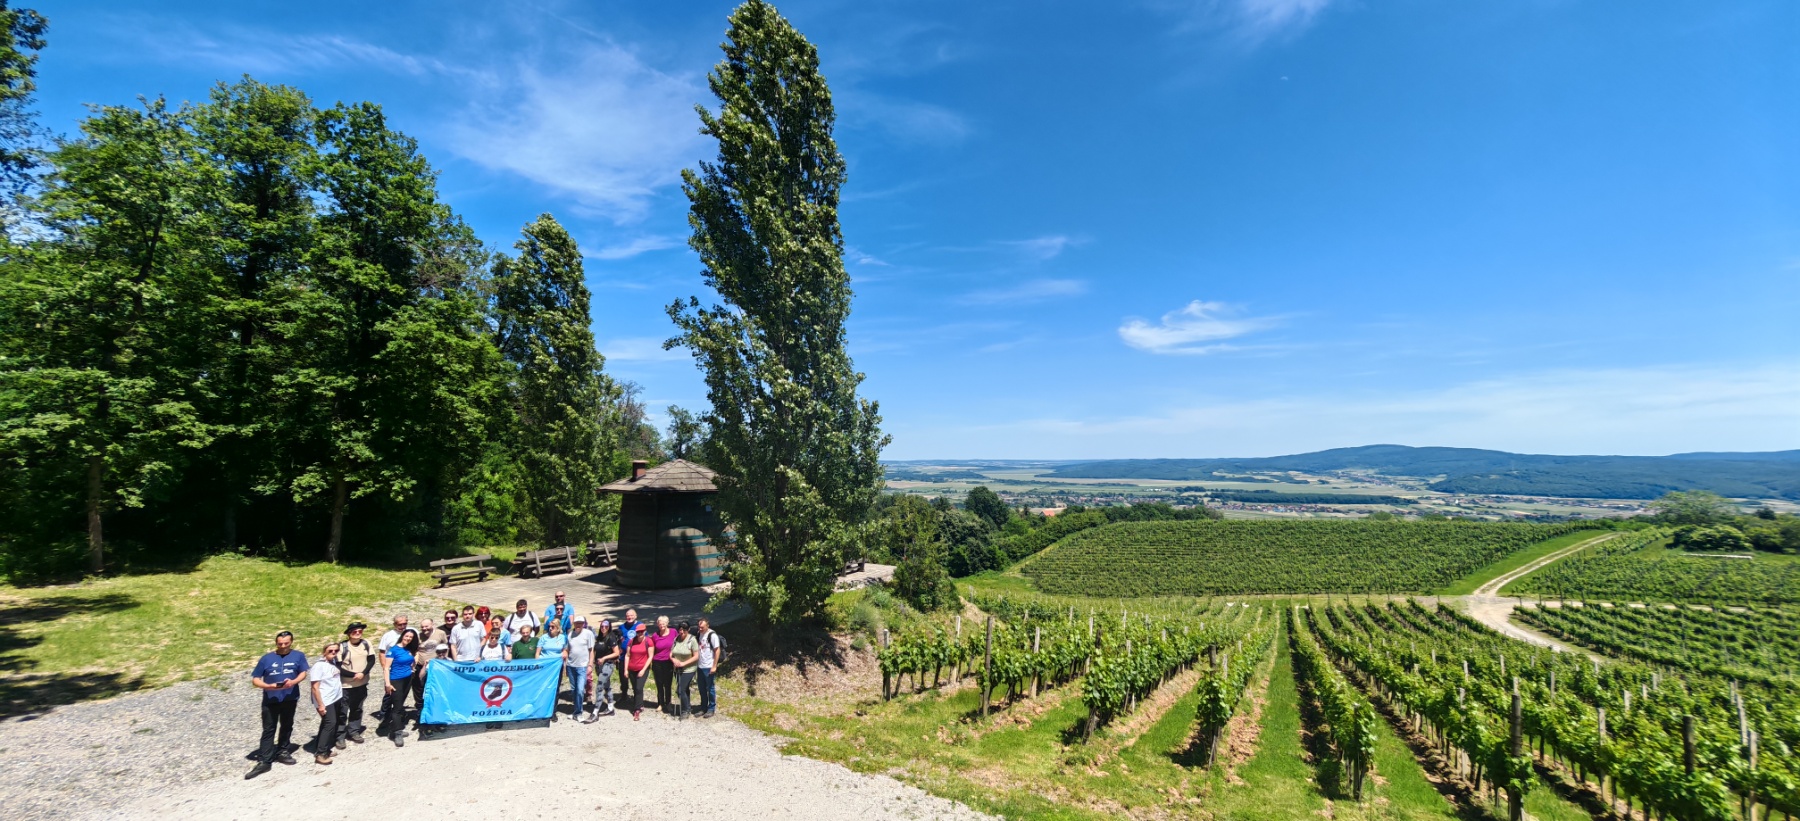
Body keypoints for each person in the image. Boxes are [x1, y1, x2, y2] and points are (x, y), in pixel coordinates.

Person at [247, 630, 309, 780]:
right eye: (280, 644)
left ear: (291, 642)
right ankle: (265, 760)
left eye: (286, 643)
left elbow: (303, 672)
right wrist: (269, 686)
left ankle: (283, 751)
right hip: (271, 699)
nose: (283, 646)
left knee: (287, 725)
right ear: (276, 643)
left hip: (290, 697)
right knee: (269, 729)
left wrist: (293, 682)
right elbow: (255, 679)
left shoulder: (298, 656)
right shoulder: (266, 658)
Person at [336, 622, 377, 744]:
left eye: (360, 631)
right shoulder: (342, 646)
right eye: (355, 631)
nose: (358, 633)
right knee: (342, 711)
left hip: (362, 683)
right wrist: (354, 675)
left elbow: (371, 660)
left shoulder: (366, 643)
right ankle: (339, 736)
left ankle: (354, 731)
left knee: (357, 709)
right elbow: (337, 667)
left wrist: (363, 673)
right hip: (345, 685)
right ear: (349, 633)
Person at [377, 628, 419, 747]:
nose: (408, 638)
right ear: (402, 636)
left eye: (411, 637)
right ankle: (397, 732)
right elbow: (386, 668)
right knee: (397, 708)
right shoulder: (393, 650)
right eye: (406, 636)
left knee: (400, 705)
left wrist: (412, 668)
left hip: (407, 679)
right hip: (396, 681)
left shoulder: (409, 649)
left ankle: (396, 728)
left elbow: (411, 660)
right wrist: (387, 684)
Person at [309, 642, 343, 765]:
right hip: (325, 700)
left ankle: (323, 747)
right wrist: (321, 705)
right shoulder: (318, 666)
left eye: (336, 650)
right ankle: (321, 754)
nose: (333, 652)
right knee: (330, 723)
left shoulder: (332, 662)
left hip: (335, 698)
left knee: (327, 724)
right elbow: (315, 687)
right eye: (330, 650)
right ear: (324, 652)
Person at [564, 615, 597, 722]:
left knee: (580, 690)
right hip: (571, 666)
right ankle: (576, 711)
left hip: (582, 666)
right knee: (574, 690)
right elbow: (567, 650)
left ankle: (579, 713)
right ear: (574, 624)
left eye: (581, 623)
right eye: (577, 623)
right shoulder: (570, 634)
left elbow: (591, 651)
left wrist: (590, 665)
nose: (578, 625)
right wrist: (565, 665)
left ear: (583, 624)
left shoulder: (588, 633)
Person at [412, 614, 446, 707]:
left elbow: (446, 647)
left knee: (434, 686)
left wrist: (444, 661)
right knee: (419, 687)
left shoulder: (440, 633)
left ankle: (434, 706)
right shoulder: (418, 636)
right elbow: (415, 650)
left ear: (433, 625)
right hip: (421, 665)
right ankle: (419, 707)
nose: (424, 629)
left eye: (426, 626)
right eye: (422, 627)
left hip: (436, 665)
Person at [622, 624, 652, 721]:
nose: (640, 633)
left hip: (643, 668)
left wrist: (643, 670)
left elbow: (650, 656)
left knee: (639, 687)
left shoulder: (648, 641)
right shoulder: (631, 641)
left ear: (645, 631)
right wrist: (626, 669)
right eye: (638, 632)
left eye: (641, 631)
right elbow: (627, 655)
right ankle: (640, 703)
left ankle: (637, 710)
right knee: (635, 688)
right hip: (632, 668)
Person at [648, 615, 677, 714]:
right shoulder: (655, 635)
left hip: (668, 661)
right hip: (657, 662)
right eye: (660, 624)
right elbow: (652, 648)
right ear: (657, 625)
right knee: (659, 684)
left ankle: (668, 703)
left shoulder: (673, 632)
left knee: (668, 684)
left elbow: (678, 643)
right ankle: (660, 703)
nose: (662, 625)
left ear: (667, 623)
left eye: (663, 623)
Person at [670, 621, 699, 719]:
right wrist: (673, 660)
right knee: (684, 689)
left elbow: (696, 656)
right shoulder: (676, 639)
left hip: (689, 669)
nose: (682, 632)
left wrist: (684, 663)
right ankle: (687, 707)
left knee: (680, 690)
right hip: (677, 668)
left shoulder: (692, 640)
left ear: (688, 630)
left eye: (684, 630)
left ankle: (685, 710)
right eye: (680, 629)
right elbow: (671, 653)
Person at [593, 618, 620, 716]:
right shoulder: (599, 638)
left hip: (608, 665)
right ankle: (610, 707)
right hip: (599, 665)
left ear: (609, 627)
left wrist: (604, 658)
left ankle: (595, 711)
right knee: (606, 686)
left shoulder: (611, 638)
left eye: (606, 626)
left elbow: (616, 652)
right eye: (602, 626)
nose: (603, 628)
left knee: (599, 686)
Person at [696, 617, 721, 718]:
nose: (700, 629)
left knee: (710, 688)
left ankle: (711, 708)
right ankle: (703, 707)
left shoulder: (712, 635)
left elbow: (717, 650)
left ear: (707, 626)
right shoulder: (699, 634)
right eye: (699, 627)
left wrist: (714, 666)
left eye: (702, 627)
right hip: (700, 666)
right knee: (701, 688)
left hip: (709, 666)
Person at [616, 608, 642, 703]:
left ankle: (636, 697)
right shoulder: (622, 627)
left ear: (635, 616)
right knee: (623, 677)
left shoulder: (640, 626)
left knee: (634, 678)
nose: (629, 617)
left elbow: (645, 640)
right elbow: (618, 640)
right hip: (623, 656)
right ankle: (624, 695)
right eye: (627, 616)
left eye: (631, 615)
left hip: (635, 657)